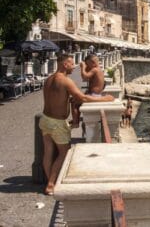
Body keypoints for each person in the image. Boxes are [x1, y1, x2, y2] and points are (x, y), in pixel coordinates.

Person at [39, 54, 114, 195]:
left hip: (45, 119)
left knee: (48, 152)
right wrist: (106, 98)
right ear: (64, 64)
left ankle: (51, 181)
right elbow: (83, 97)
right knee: (64, 153)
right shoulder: (66, 81)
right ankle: (50, 185)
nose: (74, 67)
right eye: (71, 64)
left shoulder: (48, 80)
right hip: (57, 123)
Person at [71, 54, 105, 128]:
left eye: (87, 64)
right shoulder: (99, 69)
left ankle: (75, 122)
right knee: (78, 100)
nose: (87, 65)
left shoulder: (95, 69)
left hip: (93, 95)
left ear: (92, 63)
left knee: (74, 102)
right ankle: (76, 120)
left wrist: (82, 67)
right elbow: (86, 78)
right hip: (96, 94)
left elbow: (85, 77)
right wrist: (86, 67)